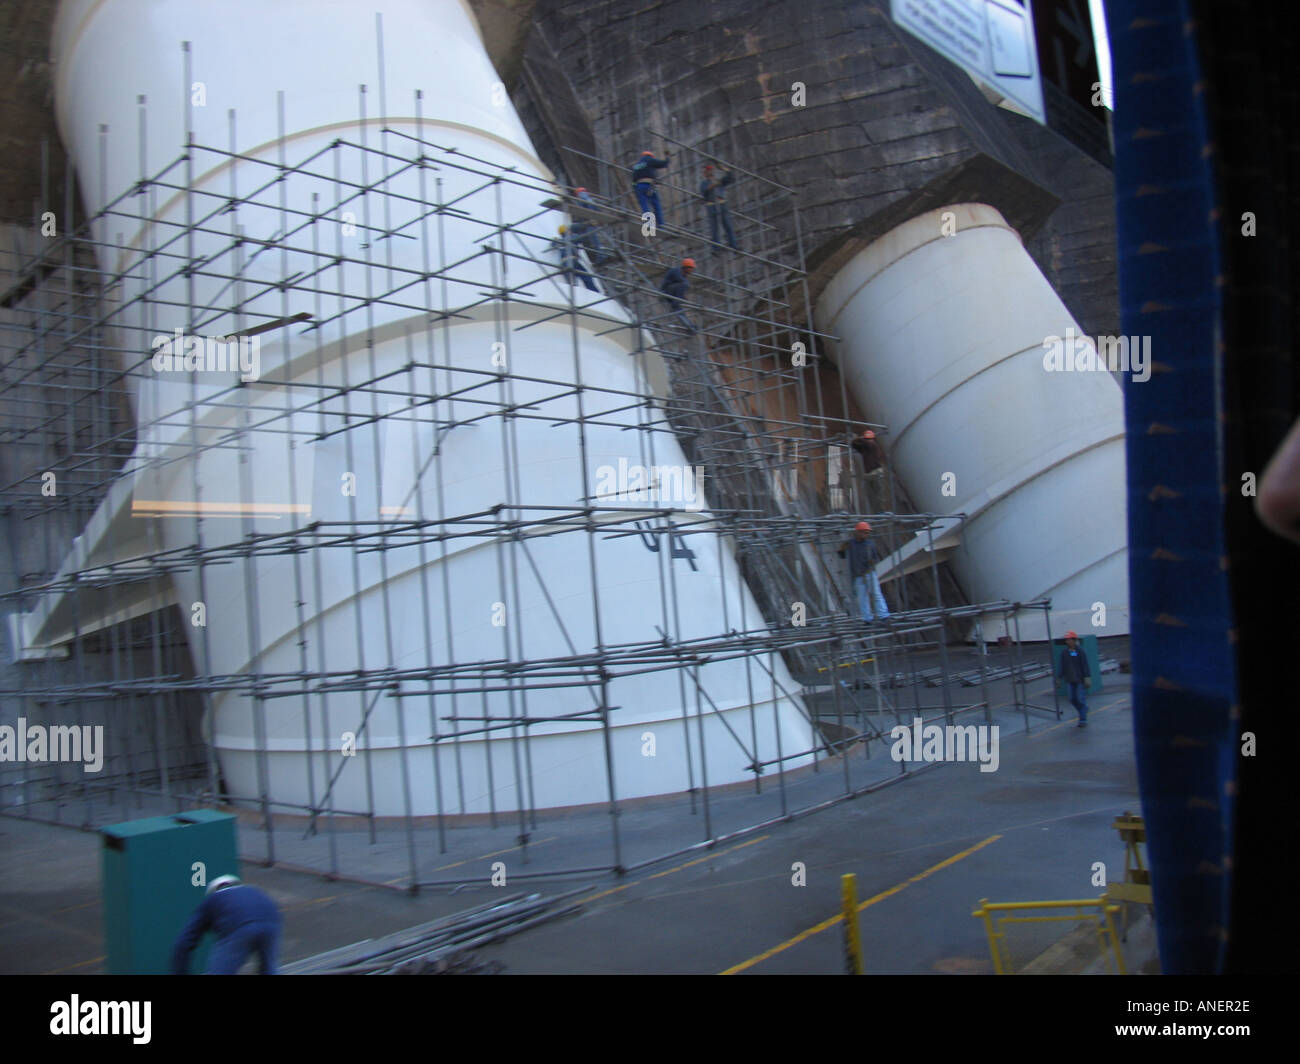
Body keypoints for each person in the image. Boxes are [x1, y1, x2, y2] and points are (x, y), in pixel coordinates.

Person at [172, 874, 283, 975]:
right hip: (273, 921)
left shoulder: (211, 900)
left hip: (238, 924)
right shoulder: (252, 890)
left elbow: (184, 943)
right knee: (269, 969)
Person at [837, 521, 889, 623]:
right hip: (858, 576)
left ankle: (883, 615)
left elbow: (874, 558)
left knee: (876, 594)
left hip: (869, 573)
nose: (866, 534)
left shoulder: (870, 544)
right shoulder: (850, 544)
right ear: (857, 532)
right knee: (862, 598)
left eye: (867, 532)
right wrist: (842, 550)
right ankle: (867, 618)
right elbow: (841, 554)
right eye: (864, 532)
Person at [550, 224, 600, 293]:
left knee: (572, 285)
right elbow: (583, 238)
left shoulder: (559, 241)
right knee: (586, 277)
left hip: (564, 264)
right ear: (567, 231)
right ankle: (595, 293)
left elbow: (553, 244)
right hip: (573, 262)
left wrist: (554, 240)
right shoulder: (573, 237)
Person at [699, 164, 737, 250]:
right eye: (706, 171)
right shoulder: (704, 183)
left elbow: (731, 178)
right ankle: (715, 248)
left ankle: (733, 244)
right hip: (712, 205)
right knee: (714, 228)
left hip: (721, 203)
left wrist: (725, 169)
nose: (708, 172)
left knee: (727, 225)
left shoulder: (719, 181)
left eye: (709, 170)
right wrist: (713, 185)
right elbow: (704, 192)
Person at [1058, 630, 1091, 727]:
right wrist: (1059, 678)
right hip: (1070, 679)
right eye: (1066, 640)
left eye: (1069, 639)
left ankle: (1083, 719)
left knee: (1080, 699)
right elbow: (1062, 665)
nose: (1067, 642)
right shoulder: (1064, 653)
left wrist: (1087, 677)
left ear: (1074, 640)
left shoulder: (1080, 651)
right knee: (1072, 699)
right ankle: (1084, 709)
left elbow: (1084, 664)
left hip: (1079, 679)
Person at [631, 150, 671, 228]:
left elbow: (633, 180)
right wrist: (668, 158)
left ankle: (649, 223)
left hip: (639, 186)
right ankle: (660, 224)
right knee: (655, 203)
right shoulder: (650, 160)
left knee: (644, 204)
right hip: (649, 185)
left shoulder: (636, 165)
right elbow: (662, 164)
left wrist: (635, 189)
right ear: (650, 156)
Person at [659, 258, 696, 333]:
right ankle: (676, 303)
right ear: (685, 267)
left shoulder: (683, 275)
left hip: (672, 294)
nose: (691, 270)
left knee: (679, 311)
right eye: (690, 268)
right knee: (685, 285)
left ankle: (689, 326)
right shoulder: (677, 271)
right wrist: (681, 298)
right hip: (665, 292)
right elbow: (682, 283)